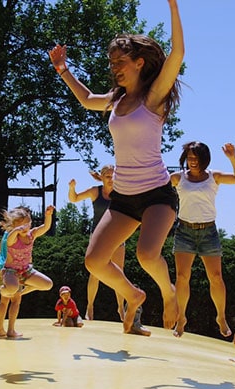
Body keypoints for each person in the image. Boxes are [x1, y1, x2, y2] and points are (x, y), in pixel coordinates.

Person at [48, 0, 184, 334]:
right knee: (94, 261)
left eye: (120, 62)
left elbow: (177, 54)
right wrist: (64, 70)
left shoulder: (153, 98)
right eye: (111, 64)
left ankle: (168, 294)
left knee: (147, 254)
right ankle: (133, 294)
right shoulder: (116, 99)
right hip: (123, 198)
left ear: (140, 62)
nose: (115, 68)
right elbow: (86, 99)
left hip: (156, 195)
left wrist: (173, 5)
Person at [170, 141, 235, 338]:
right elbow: (154, 185)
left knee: (216, 278)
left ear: (204, 159)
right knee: (181, 278)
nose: (192, 161)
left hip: (208, 231)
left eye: (196, 158)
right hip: (184, 230)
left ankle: (220, 317)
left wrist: (232, 158)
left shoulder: (214, 177)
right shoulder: (178, 178)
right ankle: (181, 318)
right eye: (189, 157)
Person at [68, 165, 126, 321]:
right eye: (107, 176)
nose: (111, 178)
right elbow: (74, 199)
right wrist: (72, 188)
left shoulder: (121, 192)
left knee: (119, 273)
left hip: (117, 236)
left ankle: (121, 308)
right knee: (95, 274)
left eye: (113, 175)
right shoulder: (95, 191)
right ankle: (90, 307)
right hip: (99, 237)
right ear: (101, 177)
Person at [0, 206, 55, 339]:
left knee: (47, 284)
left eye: (29, 223)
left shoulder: (31, 234)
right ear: (15, 226)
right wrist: (16, 230)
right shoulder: (11, 238)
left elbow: (45, 227)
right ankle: (0, 329)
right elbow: (10, 239)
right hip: (9, 271)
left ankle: (11, 330)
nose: (27, 227)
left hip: (26, 270)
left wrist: (48, 215)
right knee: (5, 300)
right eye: (23, 224)